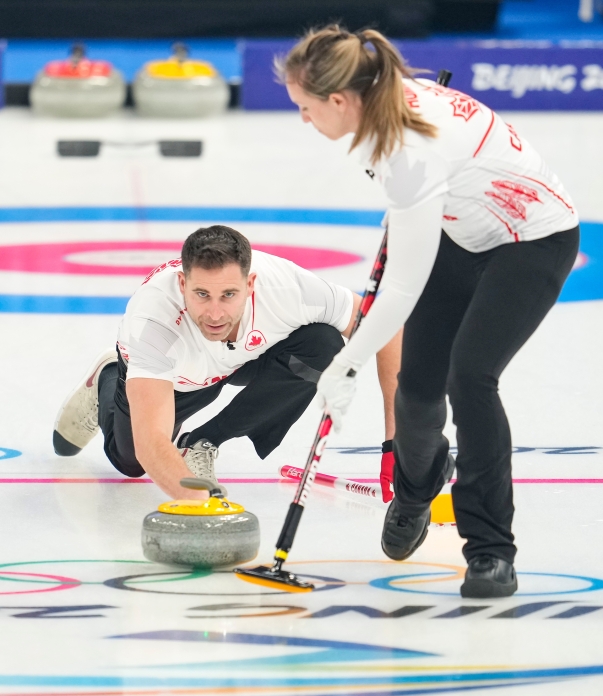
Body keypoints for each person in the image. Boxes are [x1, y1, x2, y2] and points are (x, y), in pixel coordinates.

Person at [280, 26, 579, 598]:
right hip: (460, 235)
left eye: (305, 107)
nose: (303, 119)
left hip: (532, 242)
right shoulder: (384, 102)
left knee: (469, 378)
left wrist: (347, 362)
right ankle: (417, 488)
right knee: (417, 393)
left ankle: (491, 551)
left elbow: (402, 286)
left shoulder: (408, 150)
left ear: (340, 101)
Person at [53, 224, 401, 502]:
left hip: (242, 359)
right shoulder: (152, 324)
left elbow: (384, 327)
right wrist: (200, 504)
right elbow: (151, 443)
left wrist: (397, 442)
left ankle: (204, 442)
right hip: (177, 378)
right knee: (131, 462)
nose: (216, 313)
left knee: (322, 343)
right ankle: (109, 378)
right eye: (202, 295)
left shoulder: (288, 287)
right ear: (182, 283)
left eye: (229, 295)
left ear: (250, 284)